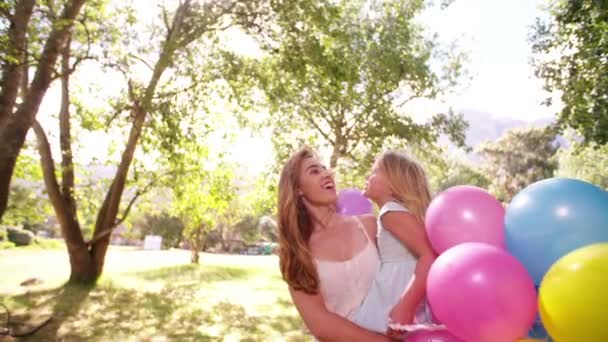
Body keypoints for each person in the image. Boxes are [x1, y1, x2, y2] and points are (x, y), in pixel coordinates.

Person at [277, 147, 391, 341]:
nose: (327, 174)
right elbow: (320, 322)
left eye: (325, 169)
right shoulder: (297, 251)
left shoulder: (369, 225)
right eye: (314, 171)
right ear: (298, 189)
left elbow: (403, 274)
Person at [352, 151, 437, 336]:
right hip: (392, 289)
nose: (368, 176)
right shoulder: (393, 213)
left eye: (375, 171)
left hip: (397, 295)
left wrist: (406, 306)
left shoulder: (391, 213)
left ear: (393, 186)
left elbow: (428, 255)